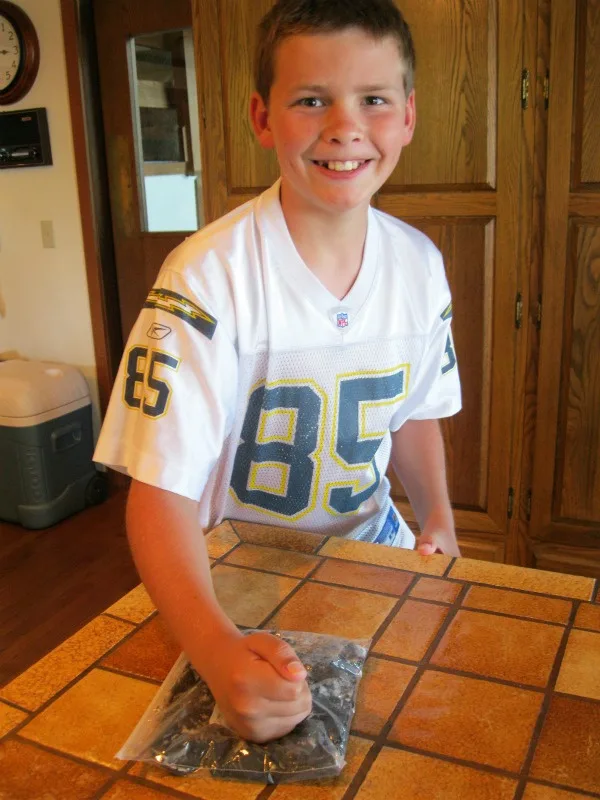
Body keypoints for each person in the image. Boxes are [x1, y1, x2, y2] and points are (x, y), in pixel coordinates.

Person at [94, 0, 462, 744]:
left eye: (373, 100)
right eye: (311, 100)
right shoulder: (206, 277)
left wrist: (440, 518)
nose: (344, 127)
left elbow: (413, 409)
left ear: (410, 115)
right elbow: (156, 492)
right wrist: (215, 646)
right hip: (239, 575)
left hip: (371, 552)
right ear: (263, 118)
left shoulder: (420, 266)